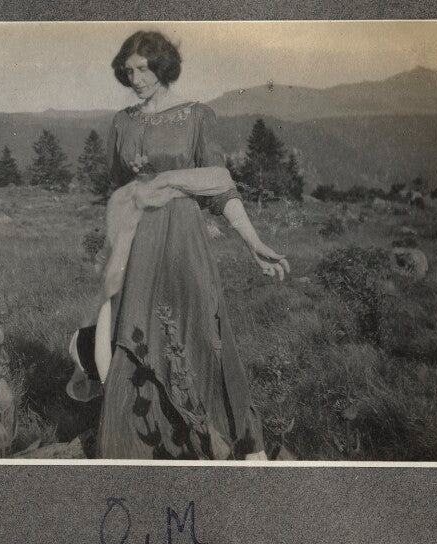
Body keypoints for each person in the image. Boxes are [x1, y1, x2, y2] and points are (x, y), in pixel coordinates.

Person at [73, 30, 289, 460]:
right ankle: (134, 445)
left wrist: (253, 241)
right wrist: (133, 193)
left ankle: (217, 440)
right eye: (128, 70)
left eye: (144, 68)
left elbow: (220, 187)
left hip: (183, 241)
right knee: (134, 334)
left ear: (164, 66)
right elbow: (116, 189)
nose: (135, 78)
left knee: (197, 333)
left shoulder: (196, 116)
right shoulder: (123, 121)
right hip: (136, 243)